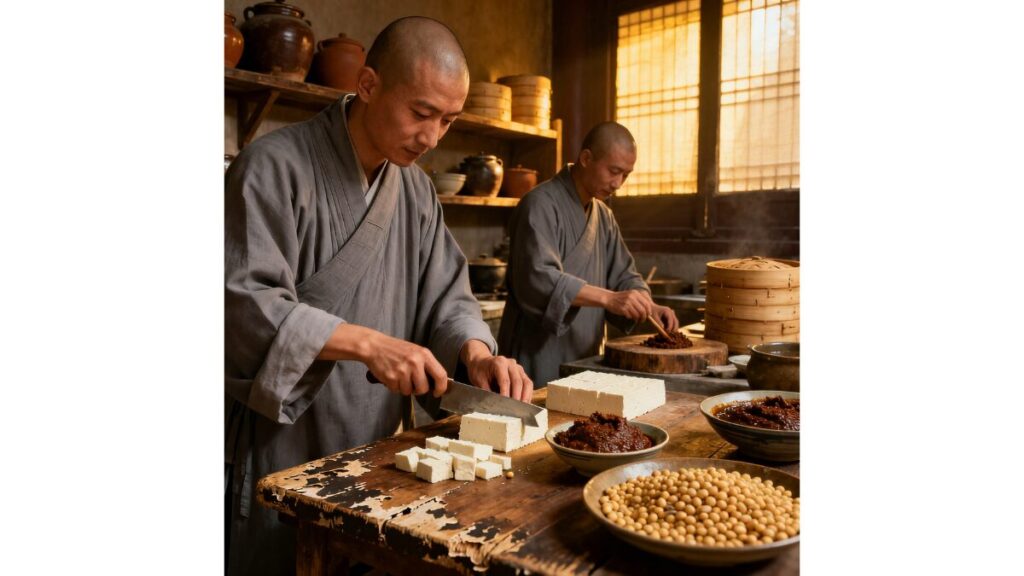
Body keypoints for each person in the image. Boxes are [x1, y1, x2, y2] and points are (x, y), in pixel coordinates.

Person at [224, 16, 532, 576]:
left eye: (448, 120)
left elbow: (448, 296)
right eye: (421, 112)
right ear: (367, 85)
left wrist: (476, 352)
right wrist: (369, 345)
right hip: (283, 441)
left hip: (381, 454)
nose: (432, 137)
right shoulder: (270, 166)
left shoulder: (416, 190)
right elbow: (243, 304)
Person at [497, 122, 679, 386]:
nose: (618, 183)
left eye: (626, 175)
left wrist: (648, 306)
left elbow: (624, 276)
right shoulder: (538, 204)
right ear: (585, 158)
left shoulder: (603, 216)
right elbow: (538, 279)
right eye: (613, 171)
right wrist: (609, 299)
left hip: (585, 355)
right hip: (536, 353)